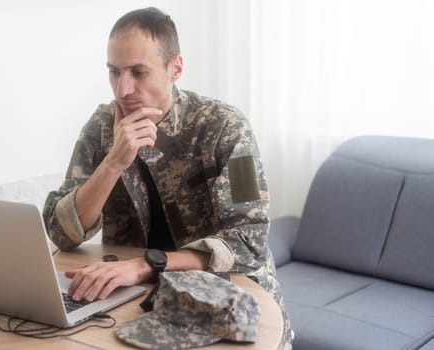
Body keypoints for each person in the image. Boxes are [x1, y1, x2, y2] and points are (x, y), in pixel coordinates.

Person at [43, 7, 292, 349]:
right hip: (135, 299)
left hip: (229, 300)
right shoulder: (101, 127)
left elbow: (250, 239)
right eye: (114, 72)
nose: (122, 89)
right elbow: (61, 231)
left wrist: (145, 266)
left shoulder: (228, 127)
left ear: (175, 67)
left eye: (138, 72)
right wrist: (113, 162)